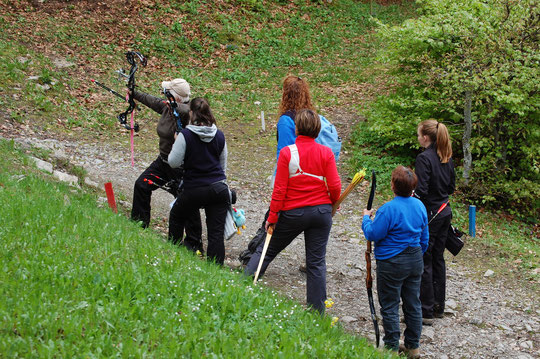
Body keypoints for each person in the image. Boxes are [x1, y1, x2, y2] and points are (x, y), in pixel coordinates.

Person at [245, 109, 341, 313]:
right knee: (316, 263)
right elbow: (334, 186)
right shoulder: (326, 153)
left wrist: (272, 218)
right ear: (317, 129)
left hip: (293, 212)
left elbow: (280, 189)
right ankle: (316, 313)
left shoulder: (288, 153)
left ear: (297, 128)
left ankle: (244, 287)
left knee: (267, 250)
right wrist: (332, 204)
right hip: (320, 212)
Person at [238, 75, 316, 265]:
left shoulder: (286, 120)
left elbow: (285, 154)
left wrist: (281, 183)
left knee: (273, 217)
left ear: (285, 94)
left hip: (291, 177)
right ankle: (311, 262)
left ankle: (254, 255)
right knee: (310, 224)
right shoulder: (311, 117)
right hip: (311, 176)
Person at [362, 166, 429, 357]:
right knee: (413, 303)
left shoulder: (388, 209)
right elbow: (425, 238)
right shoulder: (420, 206)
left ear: (393, 186)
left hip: (391, 262)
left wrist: (366, 218)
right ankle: (413, 347)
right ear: (412, 187)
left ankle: (391, 347)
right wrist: (416, 255)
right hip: (415, 259)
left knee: (390, 304)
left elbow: (373, 233)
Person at [129, 78, 202, 251]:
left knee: (186, 203)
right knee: (142, 185)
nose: (164, 95)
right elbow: (154, 102)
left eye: (168, 92)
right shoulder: (169, 107)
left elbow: (197, 127)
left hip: (179, 168)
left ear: (176, 98)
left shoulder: (185, 112)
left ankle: (194, 245)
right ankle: (139, 225)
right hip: (162, 163)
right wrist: (134, 93)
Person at [168, 97, 230, 265]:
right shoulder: (219, 135)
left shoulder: (185, 135)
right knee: (216, 233)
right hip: (218, 188)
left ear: (191, 113)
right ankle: (215, 270)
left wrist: (177, 144)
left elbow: (173, 162)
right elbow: (222, 166)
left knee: (177, 215)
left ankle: (172, 254)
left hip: (194, 187)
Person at [414, 119, 455, 325]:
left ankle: (425, 310)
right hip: (445, 211)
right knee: (438, 258)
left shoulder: (424, 159)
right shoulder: (446, 158)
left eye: (419, 134)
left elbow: (421, 191)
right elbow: (451, 188)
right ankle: (439, 306)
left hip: (431, 214)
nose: (418, 137)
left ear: (426, 137)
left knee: (426, 258)